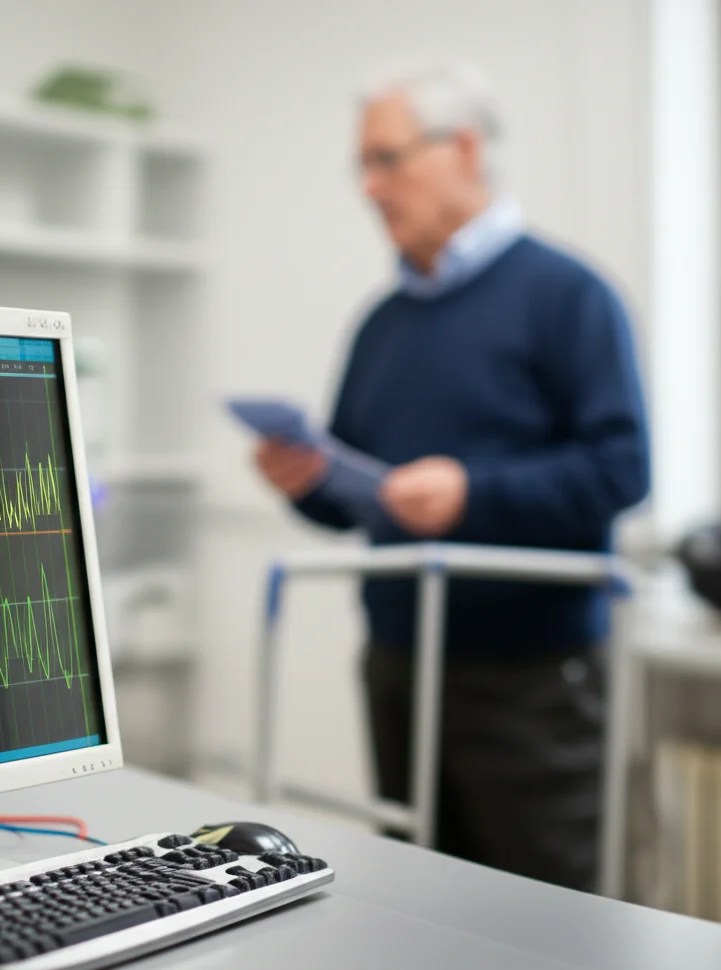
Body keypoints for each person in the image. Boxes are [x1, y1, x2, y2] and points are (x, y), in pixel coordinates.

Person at [253, 60, 650, 892]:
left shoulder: (570, 295)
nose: (369, 187)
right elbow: (354, 496)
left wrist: (473, 492)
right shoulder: (383, 322)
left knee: (545, 923)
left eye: (386, 159)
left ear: (463, 149)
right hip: (399, 663)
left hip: (530, 680)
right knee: (422, 907)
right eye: (363, 165)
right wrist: (308, 480)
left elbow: (621, 470)